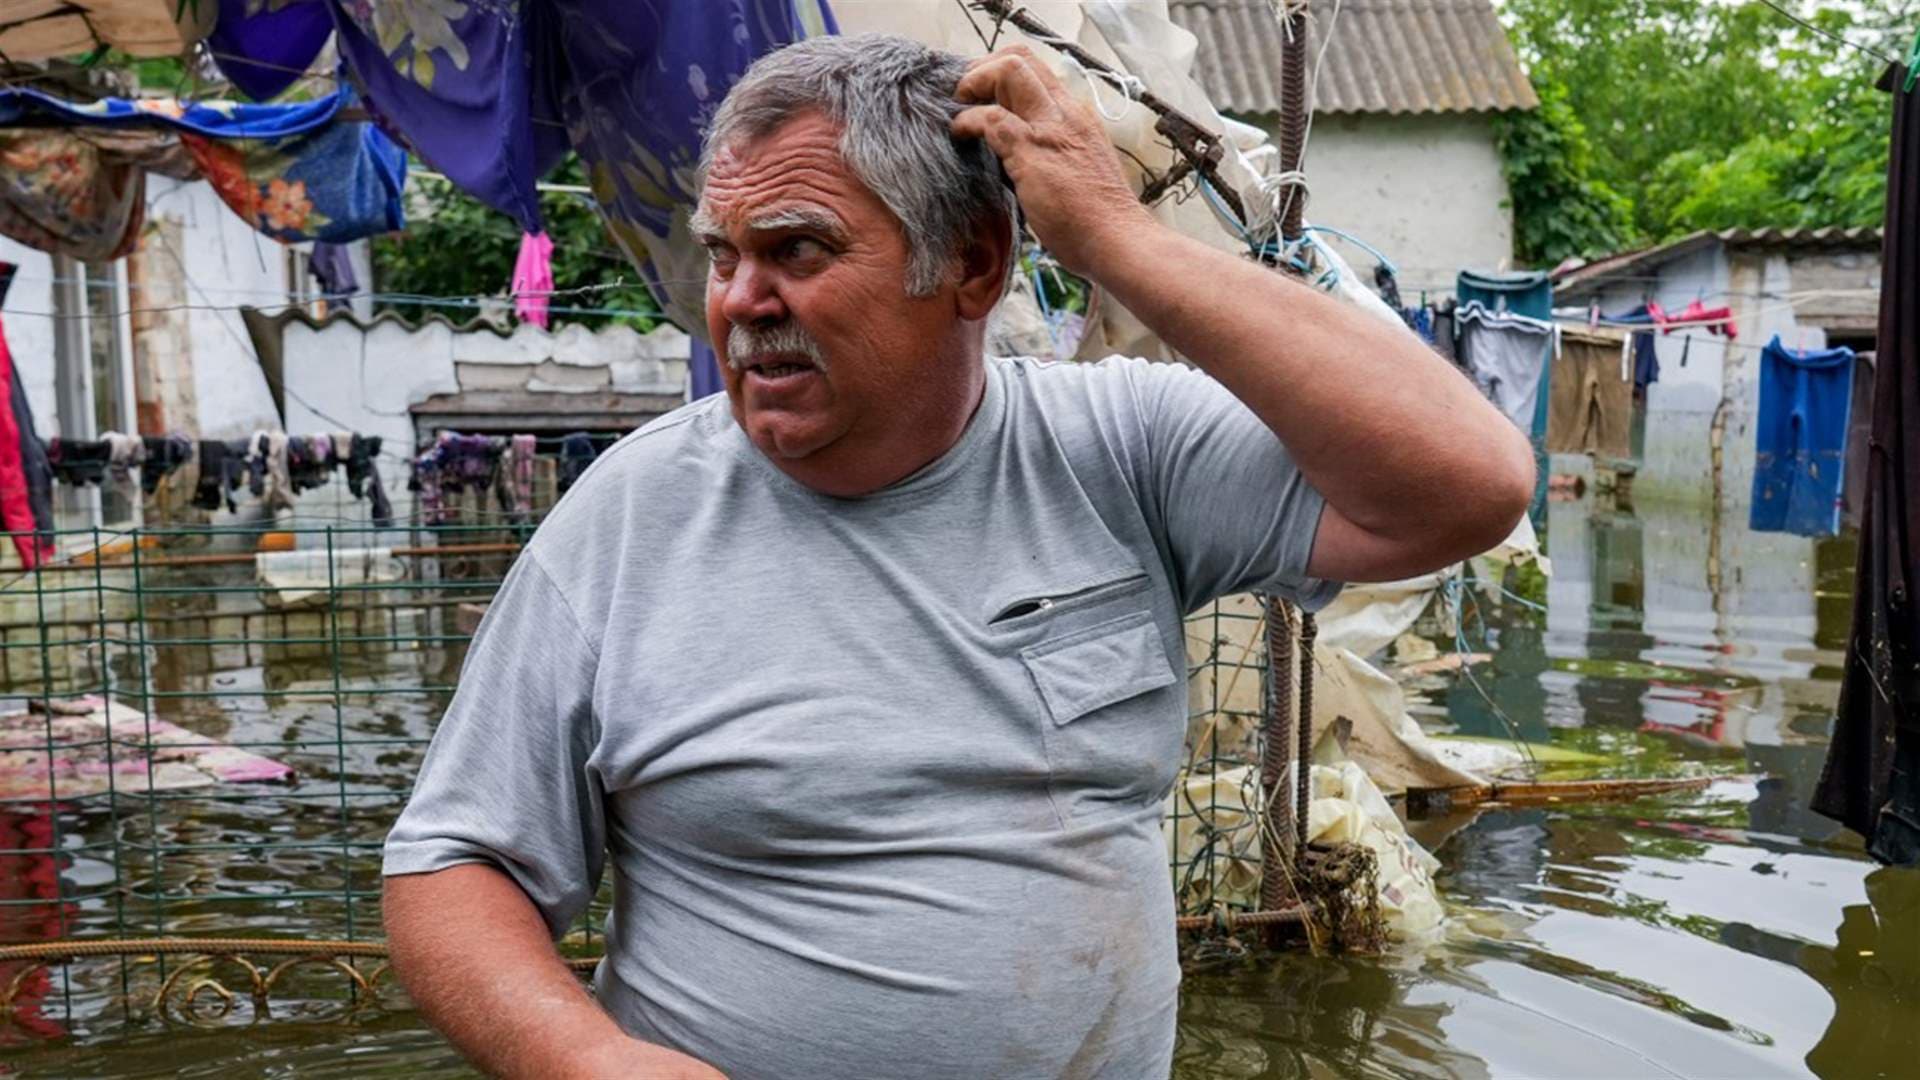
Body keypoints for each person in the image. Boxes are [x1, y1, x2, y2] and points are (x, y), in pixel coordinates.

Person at [381, 33, 1532, 1080]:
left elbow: (1465, 487)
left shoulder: (1120, 447)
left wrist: (1114, 237)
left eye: (796, 250)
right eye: (724, 253)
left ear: (974, 267)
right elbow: (452, 866)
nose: (739, 301)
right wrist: (588, 1062)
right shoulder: (627, 519)